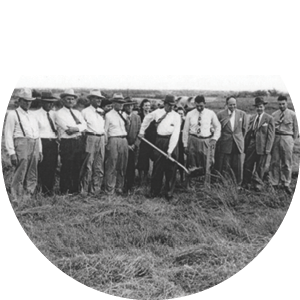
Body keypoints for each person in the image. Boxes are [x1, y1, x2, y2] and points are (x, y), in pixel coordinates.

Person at [5, 88, 43, 205]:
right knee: (20, 172)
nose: (28, 103)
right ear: (20, 101)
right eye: (25, 101)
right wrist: (11, 153)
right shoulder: (13, 114)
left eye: (30, 101)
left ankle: (28, 196)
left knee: (32, 171)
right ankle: (17, 198)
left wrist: (40, 150)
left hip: (34, 143)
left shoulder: (32, 115)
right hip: (21, 143)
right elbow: (8, 134)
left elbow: (37, 133)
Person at [139, 95, 181, 200]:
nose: (171, 108)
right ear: (165, 104)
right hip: (159, 141)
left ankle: (169, 193)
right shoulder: (157, 112)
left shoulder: (176, 116)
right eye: (169, 105)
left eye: (173, 105)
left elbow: (175, 134)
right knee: (157, 167)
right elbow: (146, 119)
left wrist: (170, 151)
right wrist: (141, 132)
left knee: (171, 168)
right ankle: (154, 191)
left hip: (171, 141)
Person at [182, 95, 221, 187]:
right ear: (195, 104)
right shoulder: (190, 114)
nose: (199, 107)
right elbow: (185, 130)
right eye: (197, 105)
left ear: (205, 104)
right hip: (192, 140)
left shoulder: (210, 113)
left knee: (205, 163)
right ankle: (191, 185)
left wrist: (215, 138)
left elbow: (218, 127)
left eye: (201, 106)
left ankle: (204, 185)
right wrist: (185, 144)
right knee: (192, 163)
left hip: (205, 141)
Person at [55, 88, 87, 195]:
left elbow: (84, 125)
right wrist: (78, 128)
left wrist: (76, 128)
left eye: (72, 99)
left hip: (78, 142)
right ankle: (65, 190)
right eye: (68, 99)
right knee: (67, 166)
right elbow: (67, 130)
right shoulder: (59, 113)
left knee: (77, 166)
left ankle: (75, 190)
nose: (70, 101)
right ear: (63, 100)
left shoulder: (77, 112)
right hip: (67, 143)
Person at [242, 97, 275, 192]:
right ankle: (246, 183)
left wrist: (268, 149)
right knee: (248, 165)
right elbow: (248, 132)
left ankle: (257, 185)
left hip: (262, 147)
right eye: (257, 107)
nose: (259, 109)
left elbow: (270, 136)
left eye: (261, 106)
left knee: (260, 166)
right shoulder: (252, 118)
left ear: (264, 107)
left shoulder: (269, 119)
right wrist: (246, 145)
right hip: (251, 146)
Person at [269, 95, 299, 195]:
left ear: (287, 103)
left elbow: (296, 129)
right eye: (280, 104)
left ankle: (286, 183)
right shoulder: (274, 115)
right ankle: (274, 183)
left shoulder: (293, 114)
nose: (281, 106)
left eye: (283, 104)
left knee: (287, 162)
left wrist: (291, 140)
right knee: (275, 162)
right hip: (276, 138)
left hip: (287, 138)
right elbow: (272, 129)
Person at [216, 96, 248, 185]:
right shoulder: (220, 114)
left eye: (234, 104)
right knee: (225, 164)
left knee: (238, 164)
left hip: (237, 143)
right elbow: (217, 128)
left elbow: (244, 129)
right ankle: (225, 183)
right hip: (225, 142)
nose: (232, 107)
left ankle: (238, 183)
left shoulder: (242, 114)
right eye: (230, 105)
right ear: (226, 105)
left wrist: (240, 139)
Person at [80, 90, 106, 195]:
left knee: (99, 165)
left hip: (101, 138)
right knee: (88, 165)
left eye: (100, 98)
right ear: (91, 99)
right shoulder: (85, 112)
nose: (99, 100)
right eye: (96, 98)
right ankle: (84, 190)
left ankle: (95, 190)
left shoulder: (101, 112)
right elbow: (82, 127)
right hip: (90, 137)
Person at [34, 91, 59, 196]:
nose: (50, 105)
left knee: (53, 166)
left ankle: (50, 190)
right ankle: (41, 189)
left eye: (52, 102)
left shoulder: (55, 114)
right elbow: (36, 132)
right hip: (42, 142)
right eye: (48, 102)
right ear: (42, 102)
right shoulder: (36, 115)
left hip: (53, 142)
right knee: (42, 166)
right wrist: (39, 149)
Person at [103, 93, 128, 194]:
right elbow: (105, 130)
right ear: (113, 103)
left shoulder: (124, 114)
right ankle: (110, 189)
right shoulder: (108, 115)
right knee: (111, 165)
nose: (121, 105)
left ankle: (119, 187)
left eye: (122, 103)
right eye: (119, 102)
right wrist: (106, 144)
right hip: (113, 139)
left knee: (122, 165)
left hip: (123, 140)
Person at [122, 97, 141, 193]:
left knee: (132, 166)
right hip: (123, 146)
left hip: (134, 147)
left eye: (131, 105)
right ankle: (122, 185)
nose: (129, 107)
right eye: (127, 105)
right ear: (124, 106)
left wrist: (135, 144)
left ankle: (130, 186)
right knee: (122, 165)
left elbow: (140, 132)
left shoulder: (137, 118)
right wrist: (126, 145)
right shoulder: (120, 117)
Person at [136, 99, 156, 184]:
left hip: (150, 140)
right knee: (142, 158)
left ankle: (147, 176)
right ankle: (140, 178)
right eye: (146, 105)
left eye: (149, 105)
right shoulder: (139, 116)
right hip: (142, 140)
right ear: (142, 106)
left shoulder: (152, 116)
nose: (147, 107)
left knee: (149, 158)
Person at [177, 106, 186, 183]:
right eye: (178, 113)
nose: (180, 115)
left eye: (181, 114)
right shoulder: (174, 122)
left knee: (181, 160)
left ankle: (182, 178)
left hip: (182, 144)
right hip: (175, 144)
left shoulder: (185, 123)